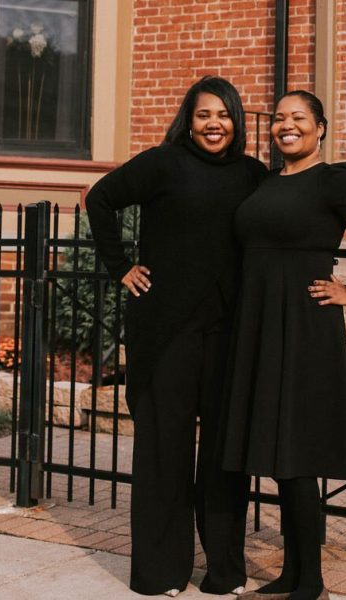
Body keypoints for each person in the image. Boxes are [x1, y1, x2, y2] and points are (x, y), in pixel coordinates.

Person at [222, 90, 346, 600]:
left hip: (305, 324)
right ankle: (292, 572)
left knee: (299, 453)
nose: (286, 126)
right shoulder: (265, 181)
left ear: (320, 127)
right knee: (281, 454)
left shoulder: (334, 179)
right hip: (259, 322)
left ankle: (312, 583)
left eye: (299, 118)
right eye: (280, 118)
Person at [85, 76, 268, 597]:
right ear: (188, 119)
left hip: (228, 332)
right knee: (164, 451)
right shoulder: (164, 163)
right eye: (204, 114)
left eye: (224, 115)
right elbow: (100, 199)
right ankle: (160, 571)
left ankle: (224, 571)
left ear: (237, 120)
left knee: (223, 454)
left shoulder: (255, 175)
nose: (215, 124)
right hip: (165, 330)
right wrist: (120, 266)